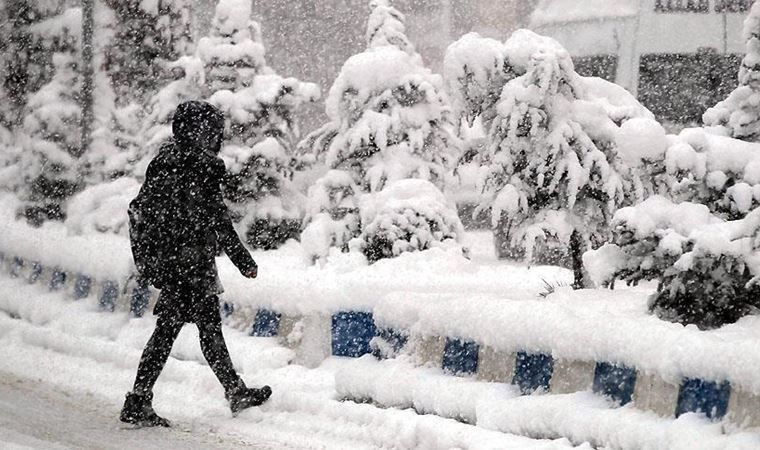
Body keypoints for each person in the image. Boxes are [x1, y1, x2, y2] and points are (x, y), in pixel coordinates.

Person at [121, 101, 271, 428]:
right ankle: (140, 398)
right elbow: (218, 219)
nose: (216, 137)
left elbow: (154, 212)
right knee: (180, 331)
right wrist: (243, 260)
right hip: (189, 265)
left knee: (198, 328)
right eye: (212, 131)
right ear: (201, 132)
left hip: (174, 262)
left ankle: (231, 391)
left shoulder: (164, 163)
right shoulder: (198, 167)